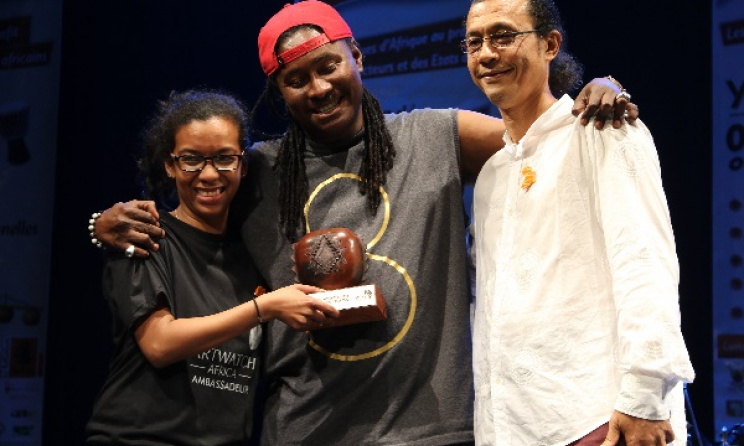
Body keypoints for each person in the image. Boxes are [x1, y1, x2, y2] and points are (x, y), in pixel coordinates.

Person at [89, 2, 636, 444]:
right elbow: (190, 202)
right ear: (278, 92)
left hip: (433, 429)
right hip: (305, 429)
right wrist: (102, 221)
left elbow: (543, 144)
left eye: (328, 66)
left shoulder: (434, 136)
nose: (319, 87)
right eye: (296, 79)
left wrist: (595, 94)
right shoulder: (258, 169)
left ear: (356, 56)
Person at [464, 0, 695, 445]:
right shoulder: (491, 175)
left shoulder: (603, 129)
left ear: (550, 45)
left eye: (503, 35)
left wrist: (645, 396)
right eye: (474, 42)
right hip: (516, 428)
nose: (486, 53)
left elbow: (644, 262)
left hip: (602, 420)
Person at [85, 89, 339, 445]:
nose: (208, 175)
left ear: (243, 165)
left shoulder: (253, 253)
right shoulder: (145, 236)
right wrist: (265, 307)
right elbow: (159, 345)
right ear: (170, 165)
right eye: (191, 159)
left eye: (224, 158)